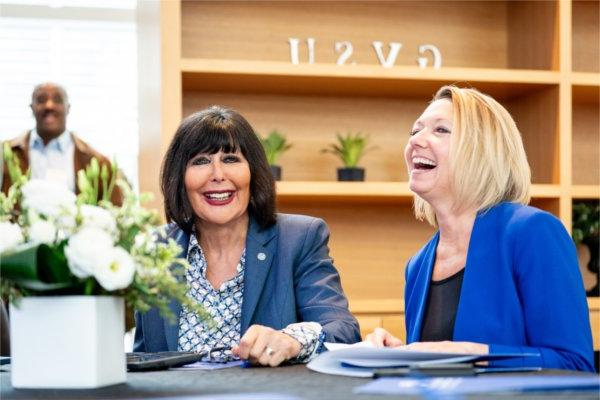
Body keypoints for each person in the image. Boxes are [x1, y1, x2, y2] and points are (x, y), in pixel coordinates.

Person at [366, 85, 594, 371]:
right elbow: (442, 367)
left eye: (440, 130)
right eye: (415, 131)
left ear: (482, 150)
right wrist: (403, 354)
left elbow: (574, 365)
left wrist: (471, 353)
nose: (416, 141)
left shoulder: (533, 232)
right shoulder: (418, 265)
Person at [134, 106, 360, 366]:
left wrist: (291, 340)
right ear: (179, 178)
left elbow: (342, 331)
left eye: (231, 159)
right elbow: (143, 359)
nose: (218, 175)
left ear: (253, 172)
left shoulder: (299, 238)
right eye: (200, 161)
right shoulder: (154, 249)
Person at [1, 82, 123, 205]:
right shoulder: (6, 154)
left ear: (68, 108)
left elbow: (114, 212)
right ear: (31, 108)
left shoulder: (96, 161)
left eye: (57, 100)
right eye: (41, 100)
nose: (49, 105)